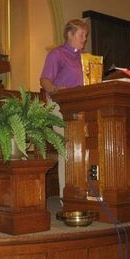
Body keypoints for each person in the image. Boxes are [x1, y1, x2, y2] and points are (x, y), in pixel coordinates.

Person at [40, 18, 89, 198]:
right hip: (60, 106)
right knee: (68, 147)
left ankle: (82, 191)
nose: (84, 39)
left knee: (84, 147)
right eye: (81, 35)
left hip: (82, 106)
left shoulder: (84, 58)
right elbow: (44, 80)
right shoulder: (57, 54)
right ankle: (66, 196)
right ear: (69, 34)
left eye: (85, 35)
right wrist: (55, 90)